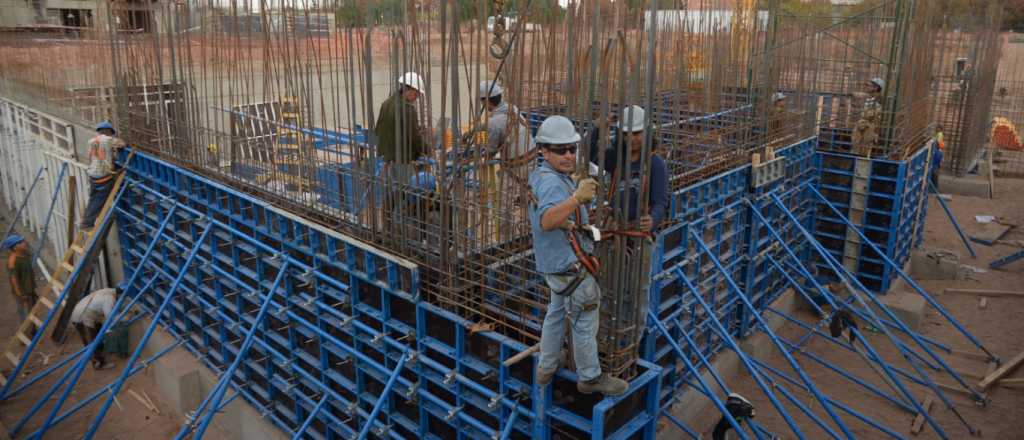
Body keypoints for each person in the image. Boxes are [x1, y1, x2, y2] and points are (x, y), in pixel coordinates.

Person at [528, 115, 628, 396]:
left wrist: (571, 215)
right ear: (544, 151)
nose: (568, 154)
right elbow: (546, 220)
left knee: (557, 312)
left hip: (555, 266)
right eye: (560, 150)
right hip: (568, 266)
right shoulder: (552, 184)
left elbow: (550, 216)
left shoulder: (543, 175)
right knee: (585, 316)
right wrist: (575, 199)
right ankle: (590, 377)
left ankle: (546, 366)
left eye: (572, 148)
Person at [587, 105, 668, 231]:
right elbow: (591, 154)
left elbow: (660, 202)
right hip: (614, 227)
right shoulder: (616, 158)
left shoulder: (656, 164)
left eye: (636, 133)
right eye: (626, 134)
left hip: (637, 232)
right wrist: (597, 129)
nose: (631, 139)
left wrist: (653, 220)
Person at [375, 72, 429, 166]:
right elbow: (415, 139)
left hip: (383, 156)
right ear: (408, 90)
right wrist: (429, 151)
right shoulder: (408, 109)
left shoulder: (386, 103)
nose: (416, 98)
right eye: (416, 95)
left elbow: (378, 129)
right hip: (400, 160)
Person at [81, 121, 126, 231]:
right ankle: (87, 224)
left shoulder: (91, 141)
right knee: (98, 201)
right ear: (109, 132)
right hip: (103, 178)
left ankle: (87, 221)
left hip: (92, 176)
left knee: (93, 199)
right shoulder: (108, 139)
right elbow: (122, 144)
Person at [70, 286, 119, 370]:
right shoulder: (109, 298)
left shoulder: (106, 290)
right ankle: (99, 363)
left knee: (98, 331)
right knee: (92, 341)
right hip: (83, 318)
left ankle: (103, 354)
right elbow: (109, 316)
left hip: (80, 313)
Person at [3, 234, 37, 321]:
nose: (24, 243)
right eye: (20, 242)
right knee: (26, 314)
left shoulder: (25, 254)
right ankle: (27, 332)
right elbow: (14, 279)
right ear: (14, 247)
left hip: (30, 289)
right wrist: (20, 294)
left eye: (23, 241)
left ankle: (33, 329)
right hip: (23, 292)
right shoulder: (13, 262)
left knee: (33, 310)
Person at [852, 78, 884, 156]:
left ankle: (863, 159)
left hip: (870, 125)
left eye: (870, 86)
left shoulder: (879, 99)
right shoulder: (869, 97)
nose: (867, 87)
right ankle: (855, 155)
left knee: (866, 144)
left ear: (876, 88)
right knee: (855, 141)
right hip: (862, 123)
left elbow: (876, 116)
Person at [931, 125, 945, 190]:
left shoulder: (939, 134)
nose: (936, 129)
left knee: (934, 175)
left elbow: (938, 142)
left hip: (935, 165)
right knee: (935, 175)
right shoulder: (938, 151)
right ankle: (934, 188)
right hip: (936, 164)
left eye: (937, 128)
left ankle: (934, 188)